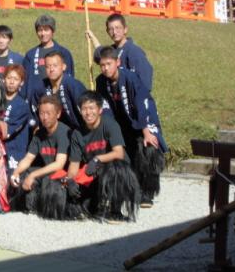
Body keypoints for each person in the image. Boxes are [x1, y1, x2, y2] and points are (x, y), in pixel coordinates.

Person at [96, 46, 167, 208]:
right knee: (118, 153)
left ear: (118, 62)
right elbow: (105, 107)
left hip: (141, 122)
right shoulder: (101, 81)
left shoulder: (131, 78)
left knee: (148, 149)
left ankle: (147, 192)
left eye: (109, 64)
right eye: (102, 65)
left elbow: (141, 105)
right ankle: (125, 189)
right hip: (121, 124)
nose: (105, 68)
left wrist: (146, 131)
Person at [66, 91, 140, 222]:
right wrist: (70, 180)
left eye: (91, 108)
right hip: (96, 174)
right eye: (84, 109)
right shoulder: (77, 134)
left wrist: (97, 159)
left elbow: (119, 153)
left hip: (119, 171)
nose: (88, 113)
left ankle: (116, 210)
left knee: (115, 169)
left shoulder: (109, 124)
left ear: (100, 110)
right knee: (80, 202)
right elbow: (74, 164)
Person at [10, 95, 71, 219]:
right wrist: (15, 173)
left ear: (58, 114)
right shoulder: (39, 134)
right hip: (46, 171)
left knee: (41, 179)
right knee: (22, 174)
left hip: (62, 174)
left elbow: (59, 165)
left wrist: (33, 175)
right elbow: (28, 159)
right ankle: (29, 207)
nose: (44, 117)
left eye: (48, 113)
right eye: (42, 113)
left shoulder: (64, 132)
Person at [88, 13, 153, 92]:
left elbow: (145, 84)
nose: (115, 32)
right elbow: (101, 52)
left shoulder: (134, 52)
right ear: (107, 31)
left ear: (125, 29)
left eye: (118, 28)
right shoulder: (112, 50)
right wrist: (92, 37)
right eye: (111, 29)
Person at [31, 51, 86, 130]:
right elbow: (33, 109)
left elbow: (87, 109)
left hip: (78, 130)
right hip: (53, 133)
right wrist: (36, 127)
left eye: (55, 65)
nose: (51, 69)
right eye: (48, 66)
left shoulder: (73, 85)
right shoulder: (41, 86)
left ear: (63, 67)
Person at [23, 15, 74, 98]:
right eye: (40, 30)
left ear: (52, 31)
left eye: (46, 30)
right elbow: (25, 80)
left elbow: (69, 77)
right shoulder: (30, 54)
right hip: (36, 97)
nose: (43, 34)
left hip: (57, 97)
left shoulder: (64, 53)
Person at [0, 64, 31, 174]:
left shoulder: (22, 105)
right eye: (9, 78)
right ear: (3, 79)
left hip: (14, 152)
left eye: (16, 79)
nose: (11, 82)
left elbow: (6, 132)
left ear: (21, 83)